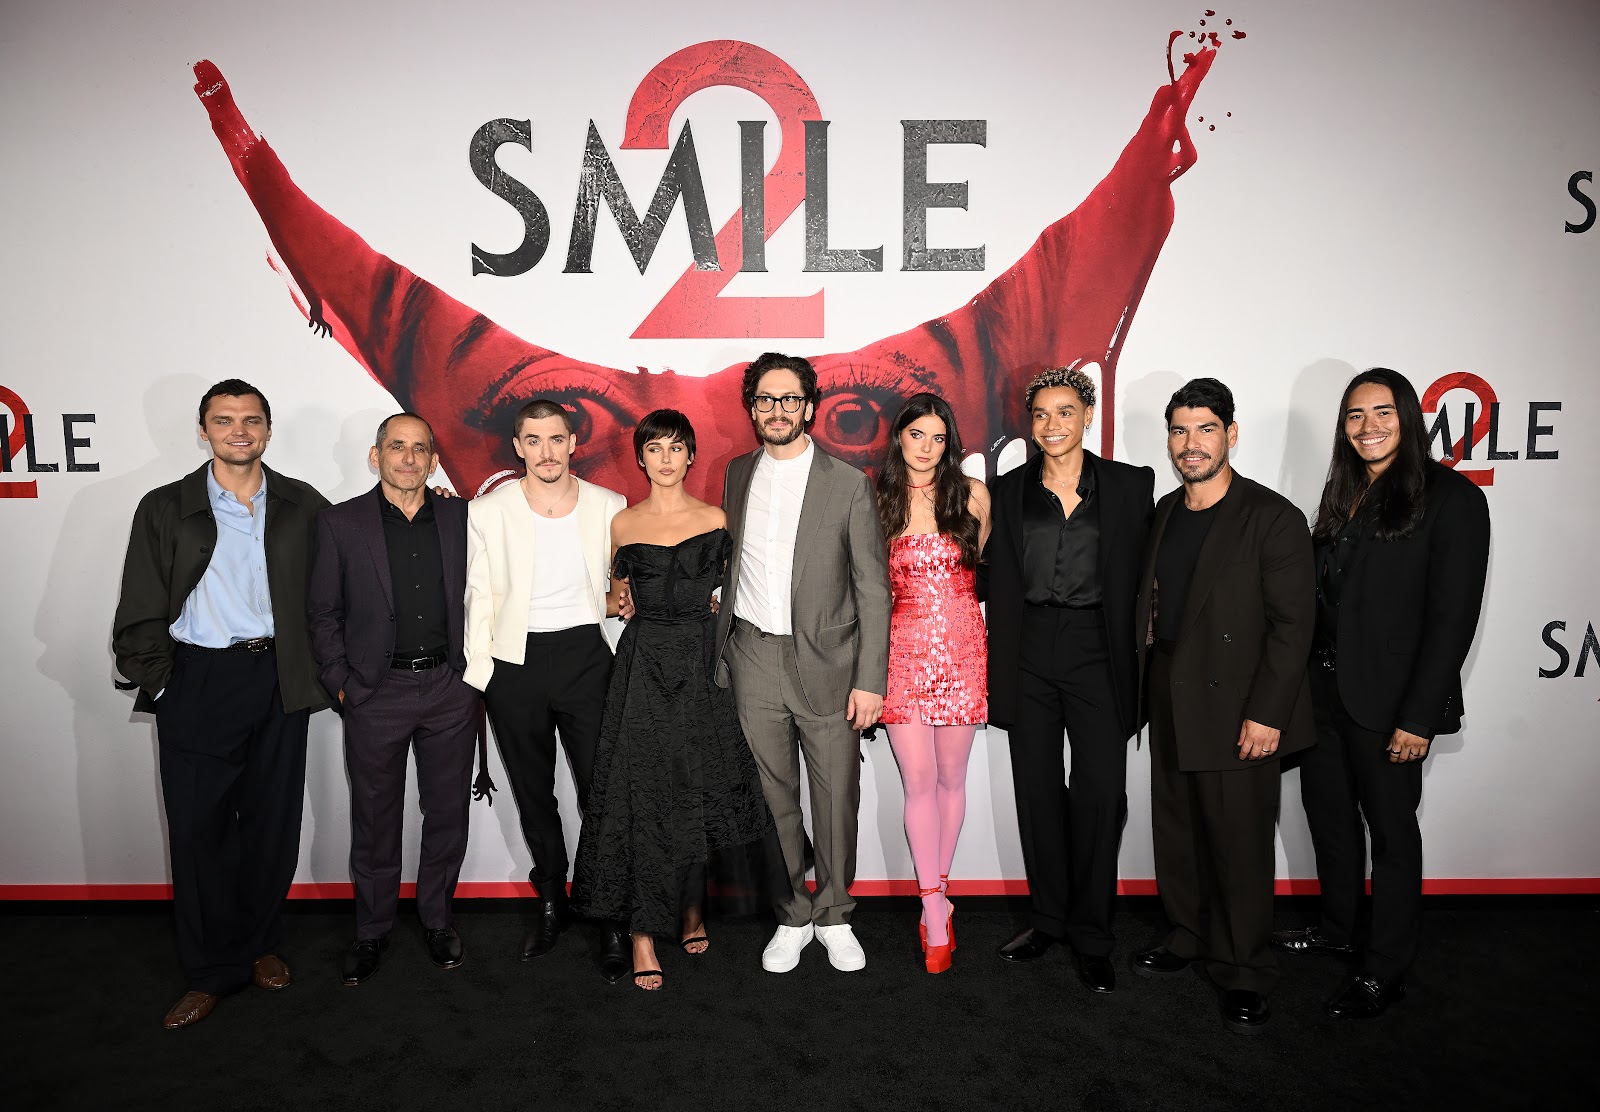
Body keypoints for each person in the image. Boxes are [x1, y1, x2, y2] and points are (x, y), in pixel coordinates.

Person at [112, 379, 331, 1029]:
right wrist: (165, 682)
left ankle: (260, 945)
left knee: (271, 825)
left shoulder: (303, 504)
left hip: (281, 678)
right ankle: (211, 970)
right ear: (203, 430)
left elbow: (338, 588)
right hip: (200, 680)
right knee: (200, 832)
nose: (240, 430)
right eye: (224, 420)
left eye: (252, 420)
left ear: (268, 429)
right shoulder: (164, 506)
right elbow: (139, 607)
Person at [1274, 368, 1490, 1020]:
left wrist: (1419, 718)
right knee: (1332, 825)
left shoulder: (1451, 498)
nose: (1369, 427)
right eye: (1355, 416)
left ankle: (1386, 967)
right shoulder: (1342, 495)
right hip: (1324, 697)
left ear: (1408, 418)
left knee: (1393, 838)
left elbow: (1452, 619)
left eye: (1382, 412)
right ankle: (1338, 929)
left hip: (1391, 707)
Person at [1129, 378, 1316, 1036]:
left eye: (1205, 429)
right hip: (1172, 688)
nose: (1191, 444)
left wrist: (1268, 714)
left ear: (1231, 434)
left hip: (1239, 704)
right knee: (1177, 831)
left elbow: (1294, 627)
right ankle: (1188, 936)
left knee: (1238, 844)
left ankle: (1244, 969)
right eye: (1179, 430)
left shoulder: (1272, 517)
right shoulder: (1164, 513)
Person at [570, 410, 772, 991]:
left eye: (675, 448)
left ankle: (690, 909)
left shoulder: (716, 519)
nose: (664, 458)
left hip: (702, 665)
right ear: (641, 459)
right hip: (642, 668)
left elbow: (736, 590)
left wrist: (712, 610)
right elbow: (614, 599)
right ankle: (640, 932)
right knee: (641, 794)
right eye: (653, 448)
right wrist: (617, 602)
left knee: (695, 789)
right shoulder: (621, 524)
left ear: (689, 458)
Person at [711, 352, 893, 973]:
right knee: (772, 796)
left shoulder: (847, 483)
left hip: (832, 661)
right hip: (754, 654)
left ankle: (836, 913)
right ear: (753, 409)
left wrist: (871, 679)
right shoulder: (737, 474)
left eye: (790, 399)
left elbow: (873, 588)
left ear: (810, 408)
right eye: (766, 400)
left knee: (836, 797)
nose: (778, 410)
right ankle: (792, 912)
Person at [983, 366, 1153, 994]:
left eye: (1065, 412)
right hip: (1028, 648)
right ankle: (1049, 919)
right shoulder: (1005, 492)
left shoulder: (1132, 487)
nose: (1052, 425)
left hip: (1097, 650)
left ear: (1088, 416)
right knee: (1036, 790)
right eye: (1041, 415)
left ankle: (1093, 934)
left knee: (1101, 793)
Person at [306, 413, 480, 984]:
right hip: (376, 692)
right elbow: (323, 612)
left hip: (450, 691)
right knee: (376, 817)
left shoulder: (462, 516)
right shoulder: (341, 523)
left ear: (434, 460)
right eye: (396, 446)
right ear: (374, 455)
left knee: (448, 812)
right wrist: (342, 683)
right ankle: (372, 930)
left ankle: (437, 919)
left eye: (420, 449)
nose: (408, 458)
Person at [464, 399, 629, 980]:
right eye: (533, 440)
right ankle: (553, 901)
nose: (546, 452)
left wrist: (619, 602)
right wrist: (484, 676)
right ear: (518, 446)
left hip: (587, 656)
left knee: (600, 793)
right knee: (534, 794)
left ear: (573, 441)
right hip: (516, 662)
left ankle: (609, 912)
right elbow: (479, 597)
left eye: (556, 438)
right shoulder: (487, 512)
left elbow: (622, 586)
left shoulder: (610, 506)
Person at [874, 393, 991, 974]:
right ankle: (935, 908)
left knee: (951, 778)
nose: (926, 447)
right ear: (900, 438)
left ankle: (936, 897)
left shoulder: (972, 496)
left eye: (938, 437)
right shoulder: (878, 500)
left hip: (963, 648)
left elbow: (980, 572)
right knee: (917, 781)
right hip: (902, 651)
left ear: (950, 444)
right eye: (916, 434)